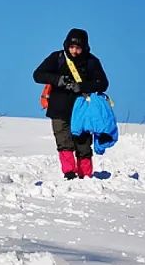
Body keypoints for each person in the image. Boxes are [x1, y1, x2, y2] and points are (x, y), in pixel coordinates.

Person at [33, 28, 109, 179]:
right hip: (59, 109)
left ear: (85, 48)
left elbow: (103, 83)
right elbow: (37, 75)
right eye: (71, 47)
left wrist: (82, 86)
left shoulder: (92, 62)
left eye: (78, 48)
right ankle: (68, 173)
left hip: (82, 111)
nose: (74, 51)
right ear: (66, 45)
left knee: (83, 144)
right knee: (63, 142)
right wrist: (58, 80)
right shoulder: (57, 58)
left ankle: (85, 175)